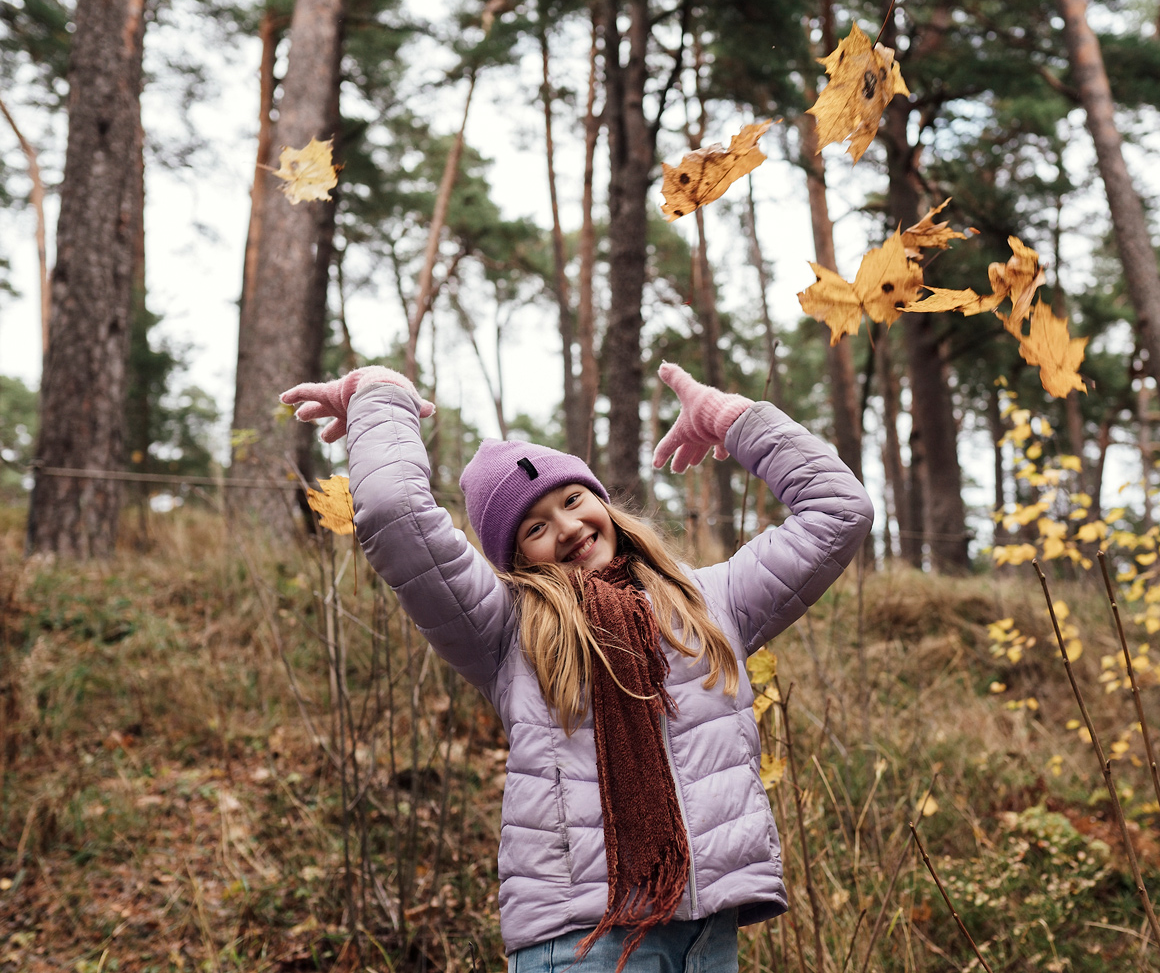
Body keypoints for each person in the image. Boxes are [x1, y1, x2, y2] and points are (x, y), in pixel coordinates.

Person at [279, 362, 873, 973]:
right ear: (514, 558)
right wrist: (382, 396)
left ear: (601, 501)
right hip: (584, 941)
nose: (569, 528)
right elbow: (392, 514)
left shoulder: (708, 602)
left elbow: (840, 511)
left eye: (573, 499)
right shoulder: (504, 629)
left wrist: (734, 420)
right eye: (535, 527)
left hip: (707, 935)